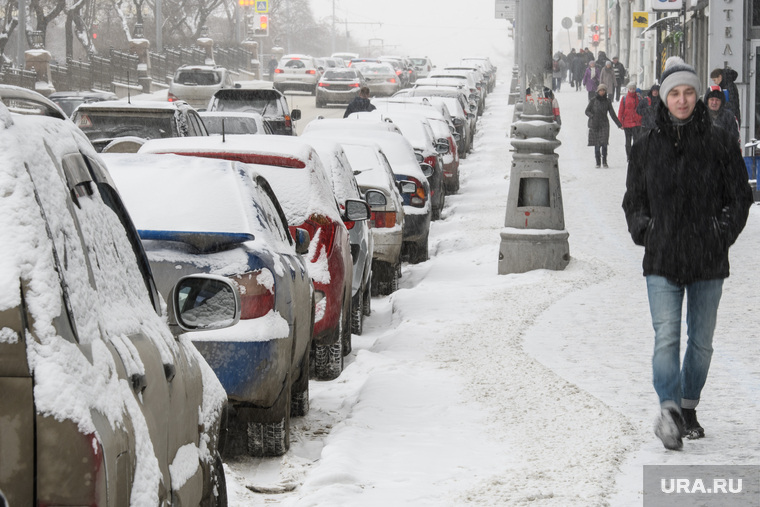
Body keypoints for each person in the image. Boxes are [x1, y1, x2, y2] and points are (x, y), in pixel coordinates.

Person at [622, 56, 753, 451]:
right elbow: (634, 201)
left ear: (698, 96)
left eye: (688, 92)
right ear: (663, 98)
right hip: (662, 258)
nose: (682, 100)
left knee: (701, 342)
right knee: (666, 339)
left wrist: (720, 232)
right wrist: (647, 230)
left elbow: (740, 197)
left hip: (708, 259)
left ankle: (688, 405)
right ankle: (669, 411)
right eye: (674, 93)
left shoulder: (719, 142)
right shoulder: (646, 146)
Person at [585, 83, 622, 168]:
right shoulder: (593, 100)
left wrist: (619, 124)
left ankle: (604, 161)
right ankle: (598, 162)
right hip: (595, 124)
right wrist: (592, 116)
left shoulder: (607, 101)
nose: (602, 92)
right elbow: (587, 111)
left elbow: (612, 114)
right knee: (597, 145)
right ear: (598, 91)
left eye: (603, 90)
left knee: (604, 144)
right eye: (600, 90)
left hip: (604, 124)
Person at [617, 82, 643, 161]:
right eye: (630, 89)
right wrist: (619, 122)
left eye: (633, 89)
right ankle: (629, 156)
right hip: (627, 123)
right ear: (628, 89)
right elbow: (620, 110)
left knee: (636, 141)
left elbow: (642, 109)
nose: (632, 90)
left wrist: (640, 118)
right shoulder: (624, 98)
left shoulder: (639, 98)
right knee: (628, 142)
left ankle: (635, 155)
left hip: (636, 122)